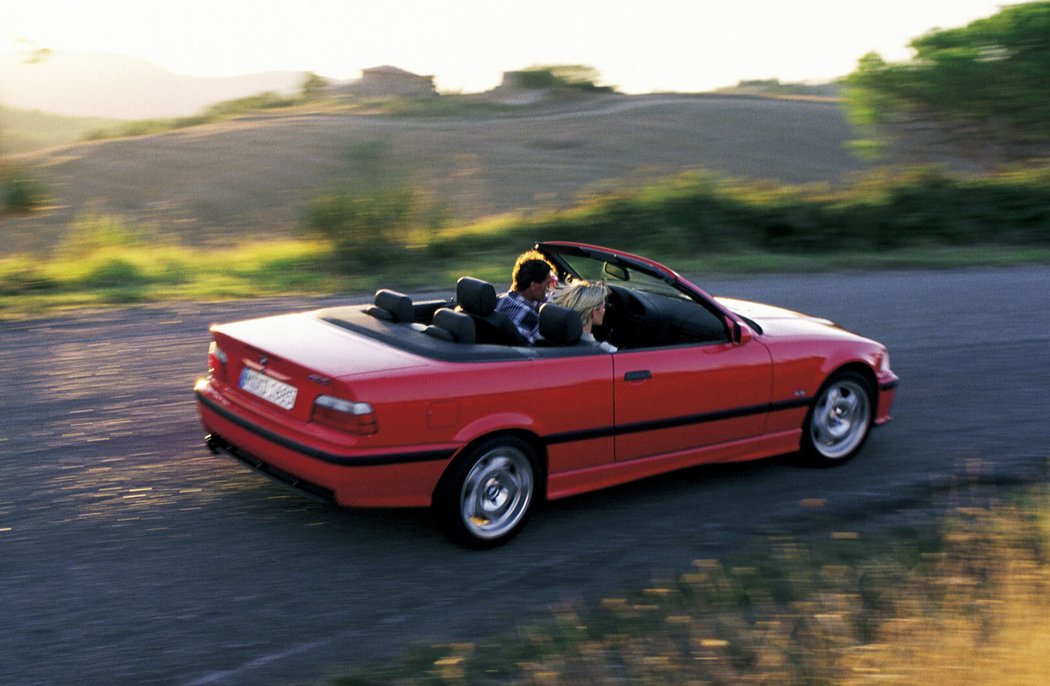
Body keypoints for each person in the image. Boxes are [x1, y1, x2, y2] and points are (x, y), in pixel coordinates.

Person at [495, 249, 557, 345]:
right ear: (533, 286)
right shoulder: (532, 320)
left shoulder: (499, 299)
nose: (549, 290)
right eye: (547, 285)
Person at [552, 280, 617, 352]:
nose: (605, 310)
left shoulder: (548, 341)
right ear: (594, 313)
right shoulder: (604, 350)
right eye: (604, 306)